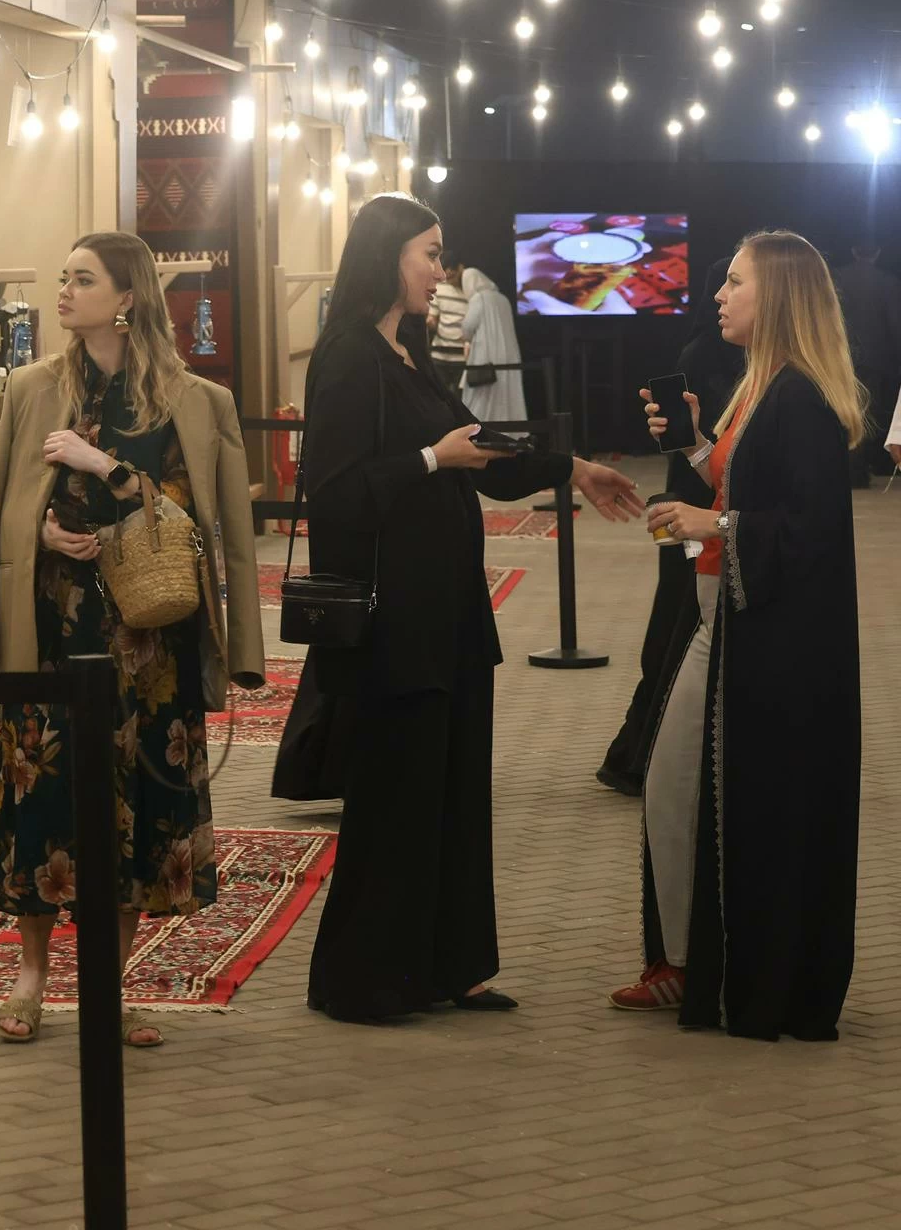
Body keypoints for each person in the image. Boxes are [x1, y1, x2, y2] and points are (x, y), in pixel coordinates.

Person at [282, 193, 643, 1022]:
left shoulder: (408, 351)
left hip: (447, 611)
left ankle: (451, 966)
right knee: (397, 800)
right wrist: (426, 459)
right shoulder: (348, 357)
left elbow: (482, 450)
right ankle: (363, 980)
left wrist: (572, 467)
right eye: (429, 253)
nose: (440, 270)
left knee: (452, 792)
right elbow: (334, 495)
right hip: (393, 621)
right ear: (387, 256)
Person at [0, 231, 265, 1046]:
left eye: (83, 279)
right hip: (55, 628)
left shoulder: (193, 401)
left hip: (152, 640)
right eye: (63, 277)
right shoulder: (33, 388)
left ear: (127, 298)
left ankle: (111, 984)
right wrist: (42, 535)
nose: (64, 290)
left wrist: (103, 467)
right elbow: (4, 512)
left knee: (139, 810)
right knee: (42, 801)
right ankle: (30, 977)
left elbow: (202, 525)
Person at [610, 230, 864, 1042]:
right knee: (680, 788)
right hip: (725, 616)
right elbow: (747, 483)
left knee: (694, 790)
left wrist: (711, 523)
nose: (719, 295)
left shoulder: (799, 398)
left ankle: (699, 966)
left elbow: (809, 529)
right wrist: (692, 447)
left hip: (754, 630)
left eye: (735, 283)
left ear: (777, 295)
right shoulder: (765, 385)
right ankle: (690, 961)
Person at [597, 258, 744, 797]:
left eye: (737, 284)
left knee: (677, 630)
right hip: (692, 517)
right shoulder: (711, 353)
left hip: (703, 512)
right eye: (725, 282)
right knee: (676, 630)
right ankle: (644, 758)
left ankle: (642, 757)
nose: (723, 296)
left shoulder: (735, 358)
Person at [833, 241, 901, 486]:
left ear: (853, 251)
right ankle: (860, 469)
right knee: (869, 412)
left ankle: (847, 468)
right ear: (878, 252)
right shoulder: (888, 282)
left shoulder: (838, 277)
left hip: (842, 356)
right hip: (876, 358)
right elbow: (895, 323)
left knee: (843, 411)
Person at [458, 268, 528, 425]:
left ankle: (482, 430)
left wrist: (465, 336)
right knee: (506, 395)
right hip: (508, 356)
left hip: (486, 356)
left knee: (481, 397)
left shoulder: (479, 299)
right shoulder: (503, 299)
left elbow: (468, 328)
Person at [426, 250, 467, 391]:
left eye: (452, 268)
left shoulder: (470, 290)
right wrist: (430, 322)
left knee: (460, 400)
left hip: (462, 357)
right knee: (438, 396)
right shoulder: (439, 288)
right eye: (445, 268)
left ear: (461, 268)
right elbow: (433, 318)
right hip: (439, 353)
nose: (448, 272)